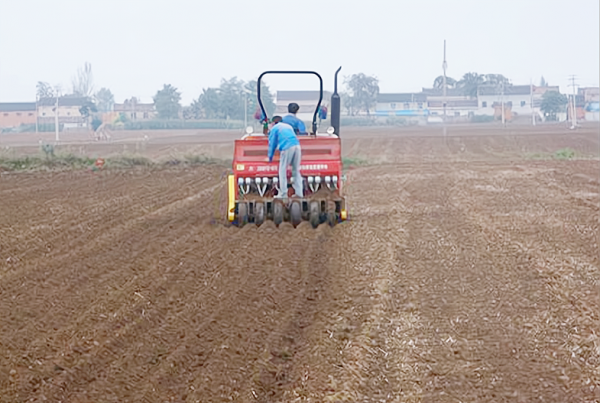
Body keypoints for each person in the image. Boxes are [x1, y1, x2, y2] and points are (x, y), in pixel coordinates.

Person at [267, 116, 303, 199]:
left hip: (287, 147)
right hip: (297, 146)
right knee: (296, 170)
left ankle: (283, 194)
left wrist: (270, 157)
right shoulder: (288, 126)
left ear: (273, 123)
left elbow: (272, 143)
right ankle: (299, 193)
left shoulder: (275, 128)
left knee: (282, 170)